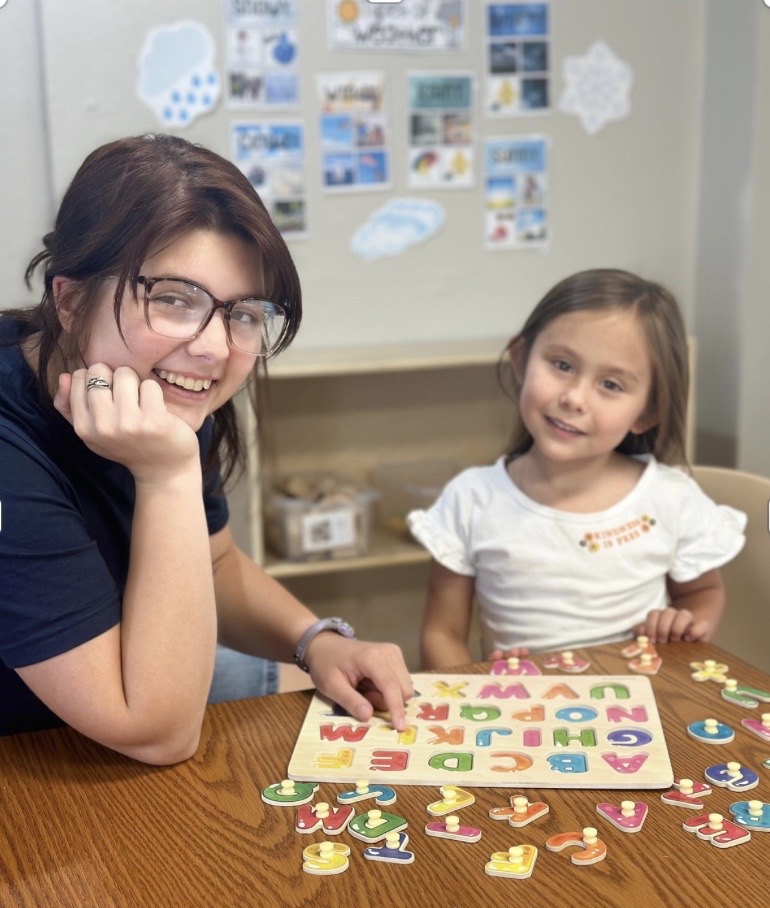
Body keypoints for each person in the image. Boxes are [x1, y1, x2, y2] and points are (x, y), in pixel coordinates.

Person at [0, 133, 412, 761]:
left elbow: (214, 565)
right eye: (172, 299)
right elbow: (158, 732)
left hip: (115, 689)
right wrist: (167, 476)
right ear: (70, 298)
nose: (215, 349)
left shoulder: (155, 387)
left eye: (243, 312)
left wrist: (317, 640)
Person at [408, 269, 746, 667]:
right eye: (563, 365)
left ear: (647, 411)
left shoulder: (671, 498)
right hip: (521, 713)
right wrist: (478, 692)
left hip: (641, 711)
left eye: (611, 385)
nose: (574, 398)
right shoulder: (470, 499)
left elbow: (701, 594)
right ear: (520, 360)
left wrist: (686, 626)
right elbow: (442, 634)